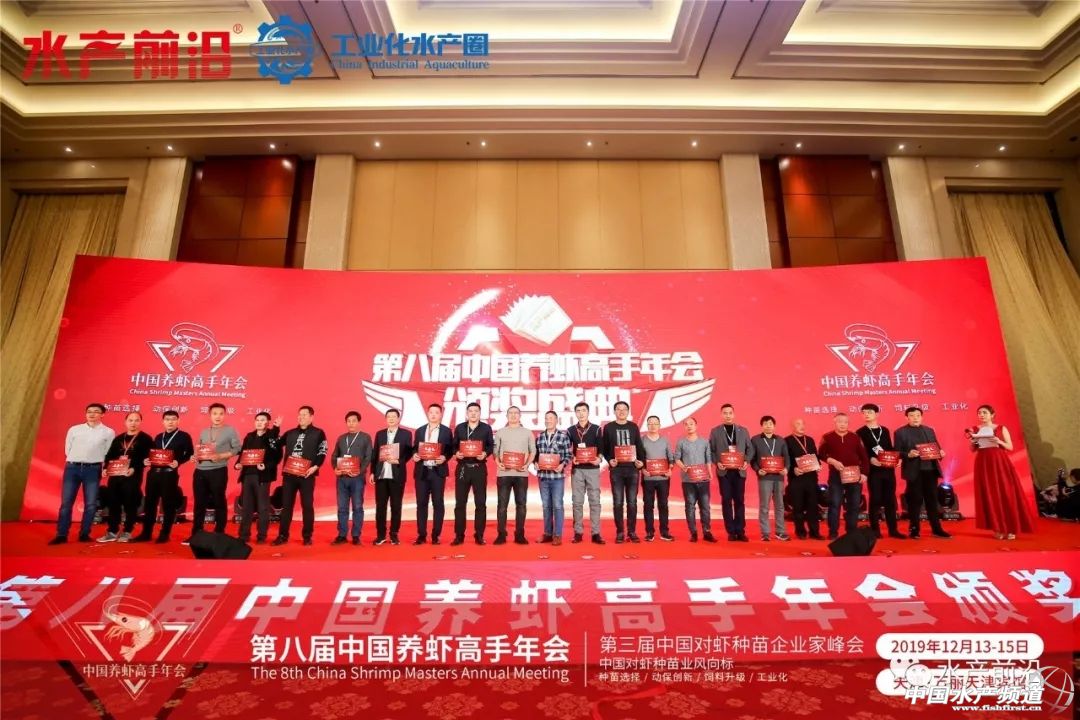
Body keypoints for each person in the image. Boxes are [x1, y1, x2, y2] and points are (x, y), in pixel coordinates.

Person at [51, 403, 116, 545]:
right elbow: (68, 449)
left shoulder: (108, 432)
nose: (92, 414)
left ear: (102, 414)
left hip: (93, 469)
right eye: (89, 411)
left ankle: (84, 534)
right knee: (66, 503)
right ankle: (61, 534)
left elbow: (108, 452)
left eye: (96, 411)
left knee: (91, 504)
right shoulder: (74, 429)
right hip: (72, 468)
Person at [969, 404, 1036, 540]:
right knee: (990, 494)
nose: (981, 415)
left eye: (984, 412)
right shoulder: (975, 429)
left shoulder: (1001, 428)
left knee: (1006, 493)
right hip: (983, 463)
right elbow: (972, 449)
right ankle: (997, 528)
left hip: (999, 462)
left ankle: (1011, 529)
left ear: (992, 415)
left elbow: (1010, 447)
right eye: (979, 413)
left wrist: (998, 441)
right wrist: (973, 441)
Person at [132, 410, 194, 544]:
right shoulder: (159, 437)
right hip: (153, 473)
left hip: (169, 474)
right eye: (167, 419)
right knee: (150, 504)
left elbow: (190, 453)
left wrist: (178, 461)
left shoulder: (184, 436)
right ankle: (146, 533)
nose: (170, 422)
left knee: (168, 505)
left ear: (178, 421)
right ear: (163, 421)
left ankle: (164, 533)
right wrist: (146, 460)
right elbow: (153, 454)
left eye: (173, 419)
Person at [272, 406, 327, 546]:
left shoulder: (318, 433)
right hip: (289, 475)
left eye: (304, 414)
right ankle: (282, 535)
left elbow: (322, 451)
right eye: (299, 414)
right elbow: (275, 445)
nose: (301, 417)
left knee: (307, 506)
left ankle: (307, 536)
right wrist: (276, 428)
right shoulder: (290, 433)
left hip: (307, 475)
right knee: (286, 506)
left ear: (311, 417)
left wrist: (315, 466)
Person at [187, 402, 242, 543]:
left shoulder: (230, 430)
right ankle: (196, 533)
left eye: (221, 414)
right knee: (199, 503)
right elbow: (199, 449)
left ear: (225, 415)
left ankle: (219, 532)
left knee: (219, 501)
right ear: (210, 415)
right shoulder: (204, 431)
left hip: (218, 470)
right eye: (215, 413)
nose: (218, 416)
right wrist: (194, 457)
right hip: (200, 471)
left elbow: (237, 449)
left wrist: (221, 456)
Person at [894, 407, 951, 539]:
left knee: (932, 500)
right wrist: (908, 454)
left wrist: (941, 453)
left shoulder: (929, 430)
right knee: (915, 501)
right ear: (906, 417)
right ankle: (914, 529)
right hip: (914, 471)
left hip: (931, 470)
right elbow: (897, 452)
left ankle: (936, 529)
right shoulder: (900, 432)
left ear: (922, 417)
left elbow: (937, 448)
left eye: (918, 415)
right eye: (912, 415)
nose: (915, 418)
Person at [98, 411, 152, 543]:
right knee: (113, 503)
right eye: (130, 420)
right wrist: (105, 468)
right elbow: (110, 456)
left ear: (140, 422)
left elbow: (149, 458)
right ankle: (112, 531)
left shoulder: (146, 439)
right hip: (115, 475)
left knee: (130, 503)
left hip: (132, 476)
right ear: (125, 422)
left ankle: (127, 531)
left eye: (136, 420)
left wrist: (135, 468)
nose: (133, 423)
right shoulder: (118, 438)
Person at [856, 403, 905, 539]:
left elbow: (890, 448)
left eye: (869, 412)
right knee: (875, 499)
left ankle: (893, 530)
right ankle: (875, 530)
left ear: (877, 414)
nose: (866, 414)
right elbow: (860, 452)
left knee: (890, 500)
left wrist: (898, 458)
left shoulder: (885, 430)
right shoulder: (860, 432)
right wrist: (870, 459)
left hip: (888, 469)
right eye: (864, 412)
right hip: (873, 471)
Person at [818, 412, 868, 539]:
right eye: (840, 421)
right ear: (834, 422)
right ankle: (833, 532)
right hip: (836, 475)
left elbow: (864, 457)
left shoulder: (855, 437)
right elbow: (821, 454)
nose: (843, 424)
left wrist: (864, 473)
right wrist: (831, 461)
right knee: (835, 503)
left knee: (854, 504)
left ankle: (851, 531)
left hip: (854, 475)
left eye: (845, 422)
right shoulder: (827, 437)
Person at [234, 412, 282, 544]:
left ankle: (261, 536)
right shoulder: (249, 436)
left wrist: (266, 466)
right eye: (257, 420)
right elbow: (243, 453)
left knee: (263, 507)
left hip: (262, 477)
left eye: (263, 420)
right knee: (246, 507)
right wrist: (238, 464)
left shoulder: (272, 437)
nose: (259, 422)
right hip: (247, 475)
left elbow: (277, 457)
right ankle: (244, 535)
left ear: (268, 423)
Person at [602, 401, 646, 543]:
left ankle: (632, 532)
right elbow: (604, 448)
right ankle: (620, 532)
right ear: (614, 411)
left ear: (628, 411)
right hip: (617, 470)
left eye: (624, 409)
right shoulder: (608, 427)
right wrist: (609, 460)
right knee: (618, 502)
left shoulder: (633, 426)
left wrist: (641, 462)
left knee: (632, 502)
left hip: (632, 469)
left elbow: (639, 446)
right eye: (618, 409)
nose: (621, 411)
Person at [451, 401, 494, 546]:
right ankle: (459, 535)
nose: (473, 413)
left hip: (479, 468)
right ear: (467, 413)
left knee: (480, 503)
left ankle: (479, 535)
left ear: (480, 413)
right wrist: (456, 453)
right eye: (471, 411)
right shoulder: (460, 428)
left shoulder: (486, 428)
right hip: (463, 468)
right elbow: (453, 446)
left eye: (476, 411)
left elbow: (490, 446)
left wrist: (485, 453)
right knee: (460, 503)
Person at [708, 404, 753, 542]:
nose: (728, 415)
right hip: (724, 471)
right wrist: (717, 462)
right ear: (721, 414)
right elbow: (711, 450)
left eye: (730, 413)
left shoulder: (743, 430)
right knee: (726, 500)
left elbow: (750, 449)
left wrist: (746, 461)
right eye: (725, 413)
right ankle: (731, 531)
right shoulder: (715, 431)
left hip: (739, 471)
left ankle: (740, 531)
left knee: (739, 500)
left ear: (734, 414)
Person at [493, 406, 536, 545]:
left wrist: (527, 464)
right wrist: (497, 462)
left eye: (516, 413)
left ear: (520, 415)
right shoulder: (500, 432)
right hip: (504, 474)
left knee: (521, 505)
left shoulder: (527, 432)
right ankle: (501, 534)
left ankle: (520, 534)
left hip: (521, 474)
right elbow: (495, 451)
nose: (513, 415)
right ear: (506, 416)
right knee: (502, 506)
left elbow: (533, 451)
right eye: (510, 413)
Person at [413, 403, 453, 545]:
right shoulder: (420, 431)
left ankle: (436, 535)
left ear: (440, 415)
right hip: (422, 471)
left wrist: (444, 457)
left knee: (438, 503)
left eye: (436, 412)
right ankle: (421, 535)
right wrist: (415, 455)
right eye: (431, 412)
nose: (434, 415)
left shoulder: (446, 431)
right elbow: (415, 448)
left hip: (437, 472)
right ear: (428, 414)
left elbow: (450, 450)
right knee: (421, 503)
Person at [331, 410, 373, 546]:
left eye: (354, 421)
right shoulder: (341, 438)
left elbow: (368, 457)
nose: (351, 423)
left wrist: (360, 471)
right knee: (342, 508)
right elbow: (334, 456)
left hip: (357, 478)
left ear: (359, 422)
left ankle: (356, 535)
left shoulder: (365, 437)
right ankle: (342, 535)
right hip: (342, 478)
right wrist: (335, 468)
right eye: (348, 421)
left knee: (357, 507)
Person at [371, 409, 412, 546]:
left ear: (398, 419)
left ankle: (394, 534)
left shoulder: (406, 434)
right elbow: (375, 454)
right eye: (388, 416)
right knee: (380, 507)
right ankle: (380, 535)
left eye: (394, 416)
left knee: (396, 506)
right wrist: (372, 472)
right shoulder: (380, 434)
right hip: (381, 475)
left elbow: (409, 453)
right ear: (386, 419)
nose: (391, 419)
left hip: (397, 475)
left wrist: (398, 461)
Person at [568, 401, 605, 544]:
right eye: (578, 411)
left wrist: (599, 459)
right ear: (575, 413)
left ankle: (596, 533)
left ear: (588, 412)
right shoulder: (570, 430)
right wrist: (573, 457)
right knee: (577, 502)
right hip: (577, 470)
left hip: (592, 470)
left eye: (583, 410)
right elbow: (568, 449)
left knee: (595, 501)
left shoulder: (596, 429)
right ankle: (578, 532)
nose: (581, 413)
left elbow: (601, 448)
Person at [675, 417, 716, 542]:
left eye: (691, 424)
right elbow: (677, 458)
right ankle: (693, 532)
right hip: (688, 480)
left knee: (705, 506)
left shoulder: (704, 442)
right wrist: (683, 467)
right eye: (686, 424)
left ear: (696, 425)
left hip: (703, 479)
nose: (689, 426)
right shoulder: (681, 442)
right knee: (690, 506)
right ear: (684, 427)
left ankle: (707, 531)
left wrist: (710, 473)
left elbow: (708, 459)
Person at [535, 410, 572, 545]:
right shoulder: (539, 437)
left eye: (551, 418)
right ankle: (547, 533)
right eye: (546, 418)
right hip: (543, 477)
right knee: (546, 506)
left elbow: (568, 455)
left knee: (557, 506)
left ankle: (557, 535)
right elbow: (536, 455)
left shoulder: (563, 436)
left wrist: (562, 465)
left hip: (557, 477)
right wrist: (535, 463)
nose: (548, 420)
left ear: (556, 420)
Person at [750, 415, 790, 542]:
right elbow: (752, 459)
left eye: (771, 424)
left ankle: (780, 532)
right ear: (762, 426)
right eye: (766, 424)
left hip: (779, 477)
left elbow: (786, 457)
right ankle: (765, 533)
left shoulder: (781, 440)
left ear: (774, 426)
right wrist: (758, 470)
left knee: (780, 505)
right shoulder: (755, 440)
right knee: (764, 506)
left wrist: (786, 469)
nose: (768, 426)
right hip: (764, 477)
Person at [785, 418, 822, 540]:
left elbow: (815, 455)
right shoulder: (787, 440)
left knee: (813, 506)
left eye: (803, 423)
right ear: (792, 426)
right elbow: (785, 459)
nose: (801, 426)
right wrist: (793, 469)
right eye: (798, 424)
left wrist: (818, 465)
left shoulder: (810, 440)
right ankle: (800, 531)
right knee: (798, 506)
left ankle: (814, 532)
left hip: (811, 478)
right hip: (796, 479)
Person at [641, 415, 675, 542]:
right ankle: (649, 532)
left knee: (663, 505)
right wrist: (642, 469)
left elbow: (670, 458)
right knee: (648, 505)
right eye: (650, 423)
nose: (653, 426)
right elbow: (638, 458)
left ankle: (664, 532)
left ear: (659, 425)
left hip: (663, 479)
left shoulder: (665, 440)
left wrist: (670, 469)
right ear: (647, 425)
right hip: (648, 479)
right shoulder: (642, 440)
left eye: (655, 423)